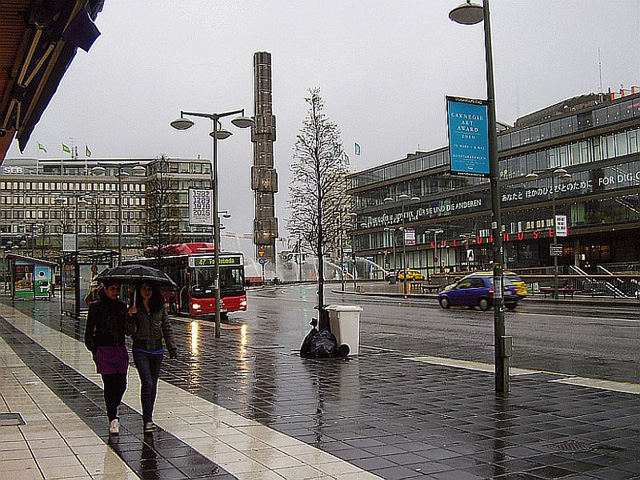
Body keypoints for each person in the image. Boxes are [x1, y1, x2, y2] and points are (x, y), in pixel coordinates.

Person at [127, 282, 177, 433]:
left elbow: (166, 327)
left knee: (153, 385)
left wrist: (171, 347)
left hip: (157, 350)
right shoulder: (135, 307)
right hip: (140, 349)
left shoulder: (159, 308)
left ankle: (149, 416)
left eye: (149, 289)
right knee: (147, 383)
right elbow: (128, 331)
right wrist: (130, 316)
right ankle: (147, 419)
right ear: (139, 291)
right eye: (143, 289)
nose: (146, 292)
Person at [84, 281, 129, 435]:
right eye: (112, 289)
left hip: (119, 349)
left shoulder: (122, 307)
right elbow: (89, 330)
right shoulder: (96, 306)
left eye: (117, 288)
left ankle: (113, 406)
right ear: (105, 289)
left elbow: (127, 329)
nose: (115, 291)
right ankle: (113, 418)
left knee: (122, 384)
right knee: (109, 384)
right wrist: (94, 349)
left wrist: (131, 316)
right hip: (104, 349)